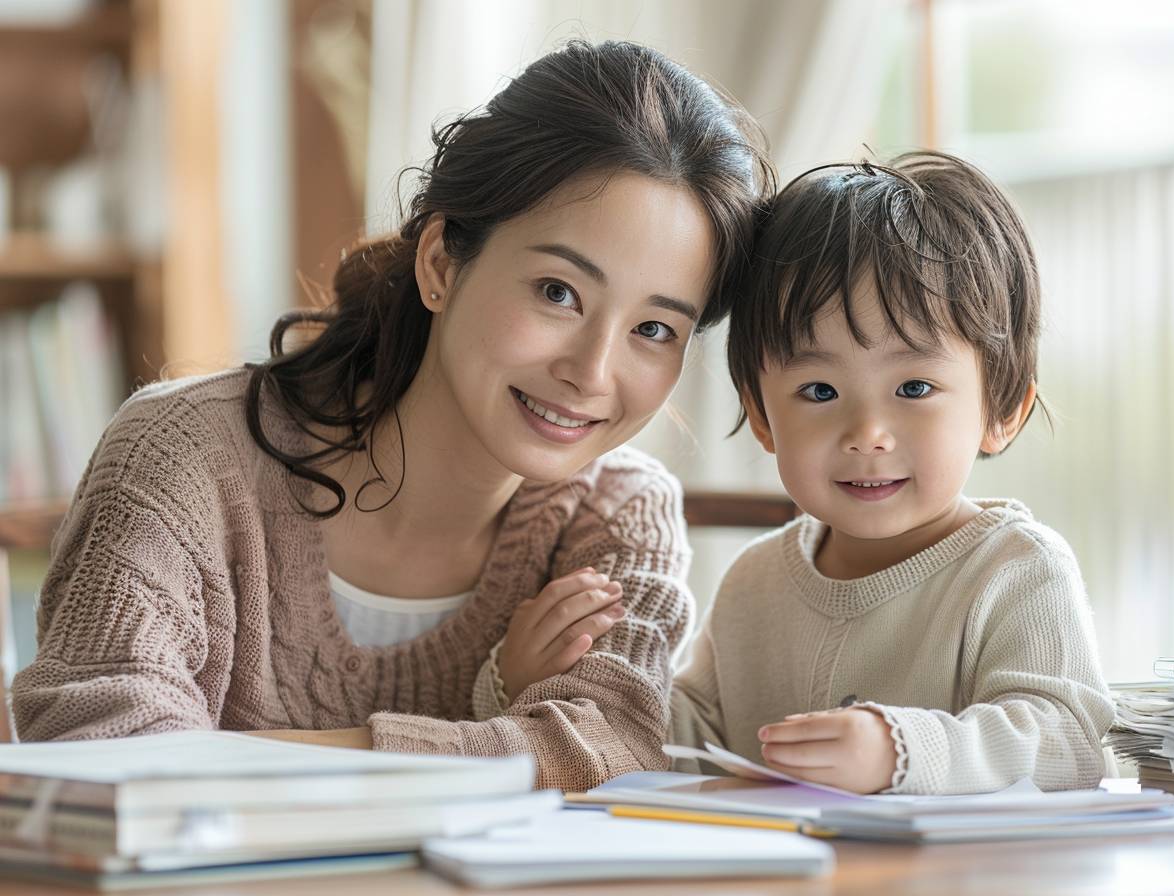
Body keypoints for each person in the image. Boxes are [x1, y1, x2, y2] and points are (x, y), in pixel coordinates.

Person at [12, 39, 771, 792]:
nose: (592, 372)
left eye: (654, 330)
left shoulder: (620, 516)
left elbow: (610, 747)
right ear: (442, 263)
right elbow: (106, 750)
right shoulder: (185, 458)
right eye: (557, 292)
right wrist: (501, 741)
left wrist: (241, 756)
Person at [498, 152, 1114, 794]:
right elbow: (675, 740)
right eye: (819, 391)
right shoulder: (756, 585)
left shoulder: (1017, 568)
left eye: (914, 386)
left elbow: (1068, 743)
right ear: (762, 417)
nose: (866, 435)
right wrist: (538, 682)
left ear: (1003, 407)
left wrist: (900, 752)